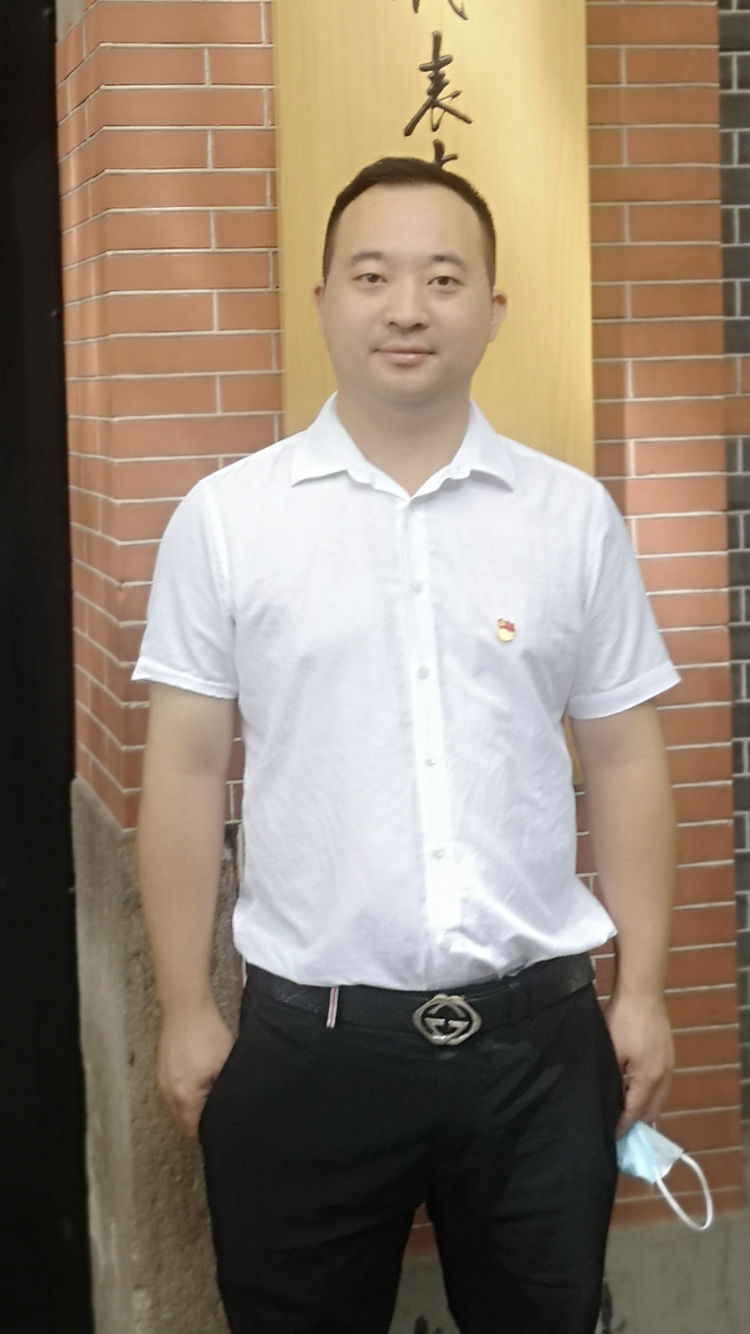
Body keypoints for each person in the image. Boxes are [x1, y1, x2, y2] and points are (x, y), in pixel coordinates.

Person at [134, 156, 679, 1334]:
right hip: (308, 1048)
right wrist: (184, 1004)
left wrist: (641, 992)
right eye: (373, 275)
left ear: (492, 307)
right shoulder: (230, 519)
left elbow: (626, 756)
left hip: (539, 1051)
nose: (407, 308)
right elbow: (182, 770)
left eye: (443, 277)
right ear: (323, 297)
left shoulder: (570, 516)